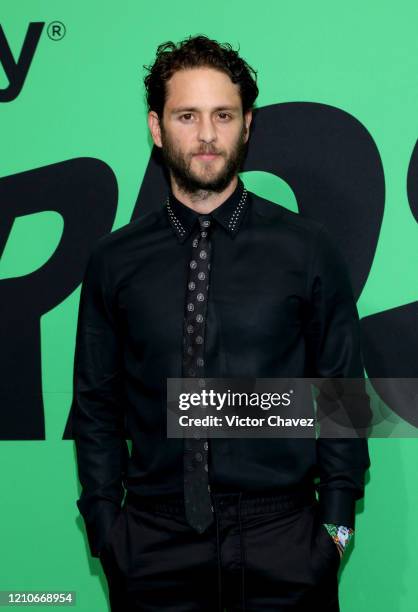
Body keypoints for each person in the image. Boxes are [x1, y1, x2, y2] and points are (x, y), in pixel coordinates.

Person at [72, 34, 371, 611]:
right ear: (158, 128)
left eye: (223, 115)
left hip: (285, 539)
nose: (207, 135)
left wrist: (333, 534)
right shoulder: (114, 260)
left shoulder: (307, 250)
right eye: (188, 115)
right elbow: (95, 406)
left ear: (246, 125)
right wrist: (108, 530)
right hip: (151, 545)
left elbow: (342, 396)